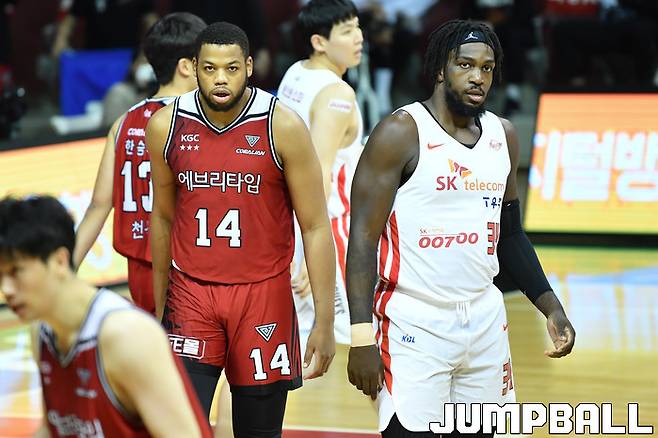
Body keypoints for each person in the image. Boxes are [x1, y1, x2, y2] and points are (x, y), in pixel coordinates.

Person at [345, 20, 576, 437]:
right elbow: (362, 239)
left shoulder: (503, 135)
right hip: (414, 322)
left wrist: (552, 307)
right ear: (440, 69)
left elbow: (510, 236)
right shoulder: (401, 132)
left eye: (487, 68)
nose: (477, 77)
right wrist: (361, 337)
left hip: (485, 321)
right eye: (465, 64)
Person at [146, 21, 336, 437]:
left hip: (263, 295)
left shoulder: (282, 125)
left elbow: (316, 226)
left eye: (231, 68)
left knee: (258, 431)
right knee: (177, 428)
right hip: (191, 294)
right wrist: (160, 306)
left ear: (248, 67)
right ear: (193, 67)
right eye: (210, 68)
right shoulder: (165, 126)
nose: (220, 79)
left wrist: (324, 320)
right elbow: (162, 218)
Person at [0, 195, 212, 438]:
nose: (6, 289)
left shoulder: (126, 335)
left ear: (59, 261)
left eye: (16, 271)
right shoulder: (43, 332)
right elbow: (56, 428)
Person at [73, 12, 207, 315]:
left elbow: (98, 205)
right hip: (186, 268)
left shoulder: (124, 121)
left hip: (139, 271)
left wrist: (67, 270)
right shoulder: (196, 123)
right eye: (207, 62)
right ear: (187, 66)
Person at [277, 0, 363, 347]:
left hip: (288, 221)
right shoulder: (337, 94)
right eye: (347, 31)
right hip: (324, 227)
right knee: (354, 340)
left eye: (358, 27)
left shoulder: (296, 72)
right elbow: (320, 172)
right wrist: (315, 257)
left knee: (297, 338)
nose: (358, 37)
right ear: (319, 42)